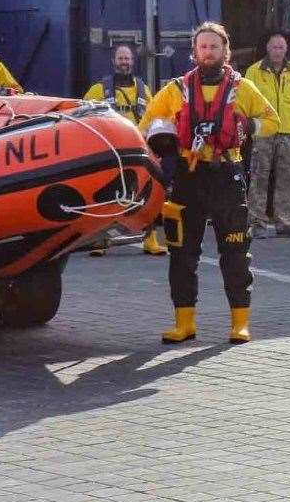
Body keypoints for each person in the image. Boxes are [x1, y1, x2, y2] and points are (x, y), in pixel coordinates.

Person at [141, 23, 278, 345]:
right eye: (202, 46)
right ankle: (184, 324)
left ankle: (240, 324)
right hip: (188, 177)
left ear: (225, 50)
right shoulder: (175, 89)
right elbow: (145, 124)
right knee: (182, 254)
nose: (208, 52)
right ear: (194, 51)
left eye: (214, 46)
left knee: (235, 252)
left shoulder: (243, 89)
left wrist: (246, 125)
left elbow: (274, 121)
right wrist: (160, 143)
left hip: (228, 175)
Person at [82, 43, 165, 257]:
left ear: (133, 61)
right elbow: (81, 117)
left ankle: (151, 239)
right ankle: (100, 240)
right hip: (110, 153)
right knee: (104, 197)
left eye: (127, 58)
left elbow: (154, 116)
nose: (124, 62)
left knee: (149, 194)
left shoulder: (142, 89)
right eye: (120, 58)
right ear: (113, 61)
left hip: (137, 151)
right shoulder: (98, 90)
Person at [244, 31, 290, 237]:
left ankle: (285, 223)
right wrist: (247, 128)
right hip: (263, 133)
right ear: (267, 48)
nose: (277, 51)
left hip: (288, 134)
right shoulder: (254, 72)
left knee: (287, 180)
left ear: (286, 49)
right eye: (274, 47)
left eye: (281, 47)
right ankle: (256, 223)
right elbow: (244, 101)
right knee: (259, 177)